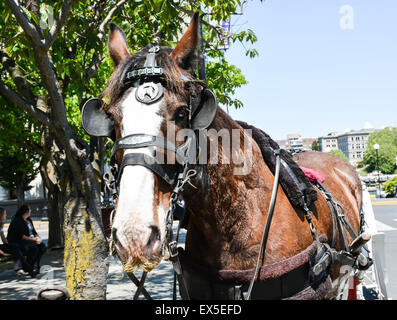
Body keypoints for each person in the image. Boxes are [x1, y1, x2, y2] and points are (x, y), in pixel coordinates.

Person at [7, 205, 46, 274]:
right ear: (26, 212)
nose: (30, 211)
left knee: (42, 247)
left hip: (29, 240)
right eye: (30, 210)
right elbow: (21, 236)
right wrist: (34, 240)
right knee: (33, 248)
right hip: (19, 241)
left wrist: (38, 238)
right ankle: (28, 267)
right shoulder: (17, 220)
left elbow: (34, 231)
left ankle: (32, 265)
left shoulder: (29, 219)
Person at [0, 207, 37, 277]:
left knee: (15, 246)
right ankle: (28, 269)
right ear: (0, 215)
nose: (6, 215)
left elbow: (4, 240)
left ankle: (22, 269)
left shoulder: (1, 224)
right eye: (4, 214)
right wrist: (3, 253)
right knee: (15, 247)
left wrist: (9, 246)